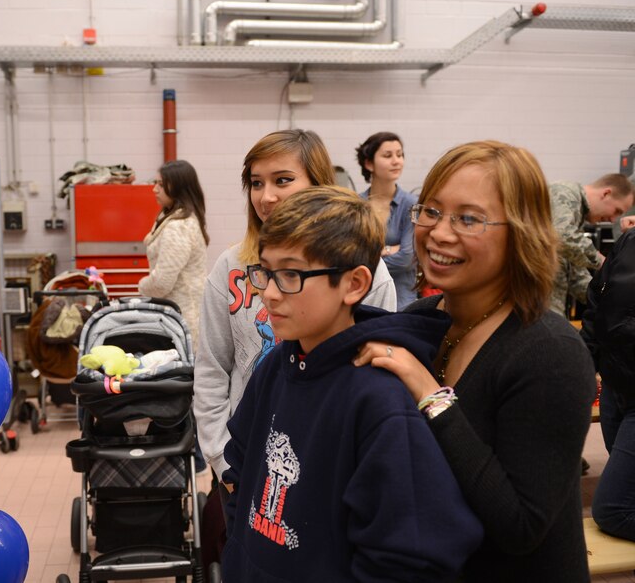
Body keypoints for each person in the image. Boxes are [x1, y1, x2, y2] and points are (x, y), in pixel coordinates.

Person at [354, 140, 596, 582]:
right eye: (430, 211)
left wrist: (431, 395)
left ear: (522, 231)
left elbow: (520, 527)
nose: (440, 233)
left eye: (469, 218)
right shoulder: (417, 322)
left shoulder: (550, 353)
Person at [221, 187, 482, 582]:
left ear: (355, 285)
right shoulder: (275, 365)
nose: (269, 293)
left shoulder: (377, 398)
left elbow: (411, 553)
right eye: (266, 272)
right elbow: (239, 469)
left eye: (291, 274)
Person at [194, 129, 397, 495]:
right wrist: (223, 461)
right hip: (244, 462)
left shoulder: (364, 272)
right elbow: (212, 368)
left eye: (283, 180)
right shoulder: (230, 266)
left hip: (328, 465)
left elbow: (378, 374)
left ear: (317, 185)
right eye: (256, 183)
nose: (266, 196)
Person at [581, 224, 635, 541]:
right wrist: (585, 363)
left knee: (613, 510)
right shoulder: (629, 241)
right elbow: (596, 302)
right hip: (617, 388)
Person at [138, 159, 209, 348]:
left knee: (184, 374)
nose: (154, 189)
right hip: (176, 316)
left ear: (178, 187)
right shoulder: (171, 218)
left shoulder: (178, 227)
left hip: (183, 319)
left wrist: (141, 286)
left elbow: (162, 283)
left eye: (161, 184)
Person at [548, 173, 634, 317]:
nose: (613, 220)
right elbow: (561, 235)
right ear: (606, 194)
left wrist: (605, 298)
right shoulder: (564, 192)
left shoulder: (576, 216)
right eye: (617, 211)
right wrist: (603, 262)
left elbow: (575, 274)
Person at [355, 132, 418, 308]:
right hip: (363, 301)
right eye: (387, 155)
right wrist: (391, 249)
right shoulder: (354, 205)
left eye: (400, 154)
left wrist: (369, 256)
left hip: (402, 303)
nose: (396, 161)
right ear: (369, 163)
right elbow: (348, 256)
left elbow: (406, 259)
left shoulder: (411, 205)